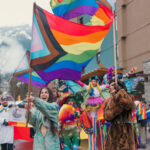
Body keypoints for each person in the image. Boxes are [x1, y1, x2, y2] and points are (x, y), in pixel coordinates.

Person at [104, 81, 137, 150]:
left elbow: (129, 105)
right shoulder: (108, 102)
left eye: (112, 85)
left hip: (126, 131)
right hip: (114, 131)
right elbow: (107, 117)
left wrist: (121, 93)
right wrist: (117, 108)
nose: (109, 87)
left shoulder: (129, 97)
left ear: (118, 87)